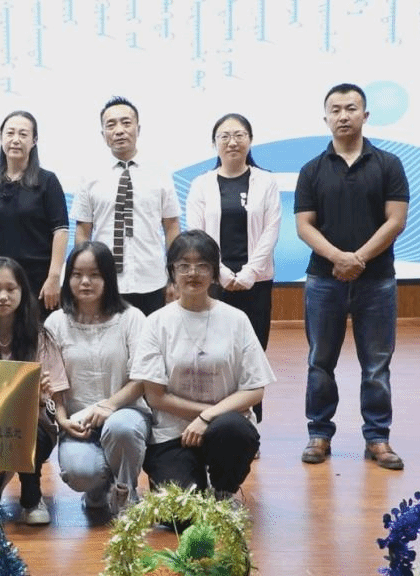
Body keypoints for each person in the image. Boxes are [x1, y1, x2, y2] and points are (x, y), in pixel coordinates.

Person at [295, 83, 409, 470]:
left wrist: (358, 258)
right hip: (323, 281)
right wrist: (338, 258)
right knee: (319, 362)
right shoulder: (312, 170)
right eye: (336, 109)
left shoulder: (389, 164)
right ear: (326, 117)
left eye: (351, 108)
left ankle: (377, 438)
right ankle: (319, 434)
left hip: (377, 281)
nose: (343, 116)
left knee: (376, 365)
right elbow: (304, 226)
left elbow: (396, 221)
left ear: (365, 115)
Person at [132, 230, 273, 506]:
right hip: (173, 433)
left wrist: (209, 418)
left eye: (202, 265)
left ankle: (223, 489)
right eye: (184, 266)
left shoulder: (236, 319)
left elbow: (255, 389)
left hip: (224, 427)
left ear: (214, 272)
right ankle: (183, 478)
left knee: (233, 430)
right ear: (172, 272)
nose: (193, 273)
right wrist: (206, 415)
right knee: (179, 515)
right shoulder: (156, 322)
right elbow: (155, 397)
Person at [0, 257, 69, 525]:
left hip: (33, 424)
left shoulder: (40, 338)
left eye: (11, 289)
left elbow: (55, 400)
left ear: (23, 292)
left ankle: (32, 498)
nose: (3, 296)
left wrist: (42, 399)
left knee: (31, 434)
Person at [185, 113, 281, 423]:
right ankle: (213, 418)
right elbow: (196, 234)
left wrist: (250, 272)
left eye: (239, 135)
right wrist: (221, 273)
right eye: (224, 136)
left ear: (250, 140)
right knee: (214, 353)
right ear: (214, 143)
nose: (232, 142)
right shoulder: (201, 184)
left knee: (253, 352)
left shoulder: (266, 181)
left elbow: (271, 229)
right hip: (213, 283)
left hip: (257, 281)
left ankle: (251, 423)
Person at [44, 242, 149, 517]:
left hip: (126, 412)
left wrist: (110, 406)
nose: (85, 282)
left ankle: (126, 492)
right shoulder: (55, 323)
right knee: (80, 472)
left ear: (109, 278)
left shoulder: (132, 318)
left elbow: (142, 378)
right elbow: (53, 384)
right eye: (77, 274)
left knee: (121, 428)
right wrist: (62, 420)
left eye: (95, 274)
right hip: (78, 423)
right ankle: (98, 488)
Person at [73, 96, 181, 316]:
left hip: (152, 280)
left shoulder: (159, 173)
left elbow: (171, 226)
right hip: (105, 281)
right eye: (111, 125)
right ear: (103, 135)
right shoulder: (90, 176)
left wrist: (174, 277)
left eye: (126, 123)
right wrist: (85, 276)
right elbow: (83, 231)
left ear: (138, 129)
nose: (119, 130)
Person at [0, 110, 69, 317]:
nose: (15, 140)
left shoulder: (48, 181)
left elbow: (60, 231)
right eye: (10, 133)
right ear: (1, 138)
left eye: (23, 134)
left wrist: (54, 277)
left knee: (39, 335)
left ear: (34, 141)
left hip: (38, 282)